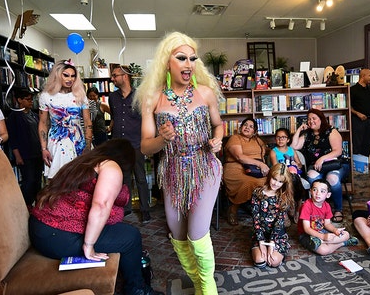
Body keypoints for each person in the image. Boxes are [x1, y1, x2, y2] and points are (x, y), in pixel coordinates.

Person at [136, 32, 223, 294]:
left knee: (197, 234)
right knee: (179, 236)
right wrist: (163, 139)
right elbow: (144, 146)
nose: (188, 64)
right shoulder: (152, 99)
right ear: (167, 62)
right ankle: (197, 281)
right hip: (172, 171)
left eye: (192, 59)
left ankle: (207, 288)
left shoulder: (205, 93)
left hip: (205, 166)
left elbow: (219, 126)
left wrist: (217, 140)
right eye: (181, 58)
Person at [28, 139, 161, 295]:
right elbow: (101, 205)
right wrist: (89, 245)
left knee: (121, 231)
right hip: (58, 238)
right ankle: (137, 289)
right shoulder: (111, 166)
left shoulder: (85, 161)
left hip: (39, 230)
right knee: (131, 237)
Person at [291, 109, 350, 223]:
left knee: (332, 179)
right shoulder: (307, 134)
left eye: (314, 118)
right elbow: (294, 146)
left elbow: (337, 151)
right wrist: (299, 129)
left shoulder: (331, 131)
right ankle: (320, 207)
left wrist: (322, 159)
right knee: (312, 176)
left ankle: (338, 209)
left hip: (335, 165)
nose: (311, 121)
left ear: (321, 119)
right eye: (309, 119)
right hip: (317, 167)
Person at [109, 65, 151, 221]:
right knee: (124, 178)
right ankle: (126, 209)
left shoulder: (140, 96)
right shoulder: (112, 97)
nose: (112, 78)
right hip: (119, 146)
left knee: (140, 177)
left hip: (137, 144)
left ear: (125, 76)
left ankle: (145, 210)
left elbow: (147, 121)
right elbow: (114, 118)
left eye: (115, 75)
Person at [38, 59, 92, 179]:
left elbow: (88, 122)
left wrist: (88, 146)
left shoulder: (80, 95)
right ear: (58, 75)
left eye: (73, 76)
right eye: (66, 75)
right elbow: (43, 123)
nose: (70, 79)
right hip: (57, 142)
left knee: (80, 180)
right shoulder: (46, 96)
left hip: (78, 141)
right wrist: (43, 148)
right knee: (57, 180)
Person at [223, 118, 269, 226]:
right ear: (240, 127)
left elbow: (266, 150)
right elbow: (239, 157)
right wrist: (260, 164)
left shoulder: (257, 140)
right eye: (245, 125)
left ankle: (271, 213)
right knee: (251, 182)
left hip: (255, 170)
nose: (247, 127)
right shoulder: (235, 138)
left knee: (271, 182)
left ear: (255, 131)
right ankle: (233, 208)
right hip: (236, 168)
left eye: (251, 126)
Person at [250, 163, 294, 268]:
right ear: (270, 176)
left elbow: (279, 223)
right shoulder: (258, 193)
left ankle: (280, 252)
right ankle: (255, 248)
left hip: (277, 235)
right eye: (274, 179)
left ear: (284, 183)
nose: (276, 184)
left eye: (280, 181)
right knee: (260, 261)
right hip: (260, 233)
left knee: (273, 262)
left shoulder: (284, 197)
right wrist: (261, 242)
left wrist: (271, 244)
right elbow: (255, 218)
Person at [298, 179, 357, 255]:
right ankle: (343, 243)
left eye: (322, 191)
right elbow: (306, 229)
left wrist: (335, 230)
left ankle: (326, 242)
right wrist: (322, 236)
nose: (318, 193)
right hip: (306, 235)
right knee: (323, 251)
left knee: (346, 234)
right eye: (315, 190)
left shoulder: (327, 206)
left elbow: (327, 224)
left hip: (321, 231)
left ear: (328, 195)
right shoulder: (306, 205)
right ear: (310, 192)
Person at [6, 89, 42, 205]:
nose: (31, 102)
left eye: (32, 99)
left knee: (37, 181)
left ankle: (36, 205)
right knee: (29, 180)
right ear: (19, 100)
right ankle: (25, 205)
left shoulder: (34, 115)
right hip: (25, 154)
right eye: (27, 99)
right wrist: (17, 155)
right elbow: (13, 138)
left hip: (38, 152)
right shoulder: (14, 116)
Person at [269, 127, 307, 211]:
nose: (280, 139)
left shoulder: (291, 150)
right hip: (281, 175)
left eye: (283, 137)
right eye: (278, 137)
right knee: (288, 183)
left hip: (294, 174)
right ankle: (285, 210)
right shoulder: (273, 151)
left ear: (288, 139)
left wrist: (296, 164)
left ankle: (297, 209)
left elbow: (300, 165)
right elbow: (276, 167)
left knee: (297, 183)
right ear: (275, 139)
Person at [350, 68, 370, 157]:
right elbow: (348, 106)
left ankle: (364, 165)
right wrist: (357, 113)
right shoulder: (352, 90)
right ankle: (356, 166)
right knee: (357, 144)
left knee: (368, 144)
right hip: (357, 121)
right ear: (363, 76)